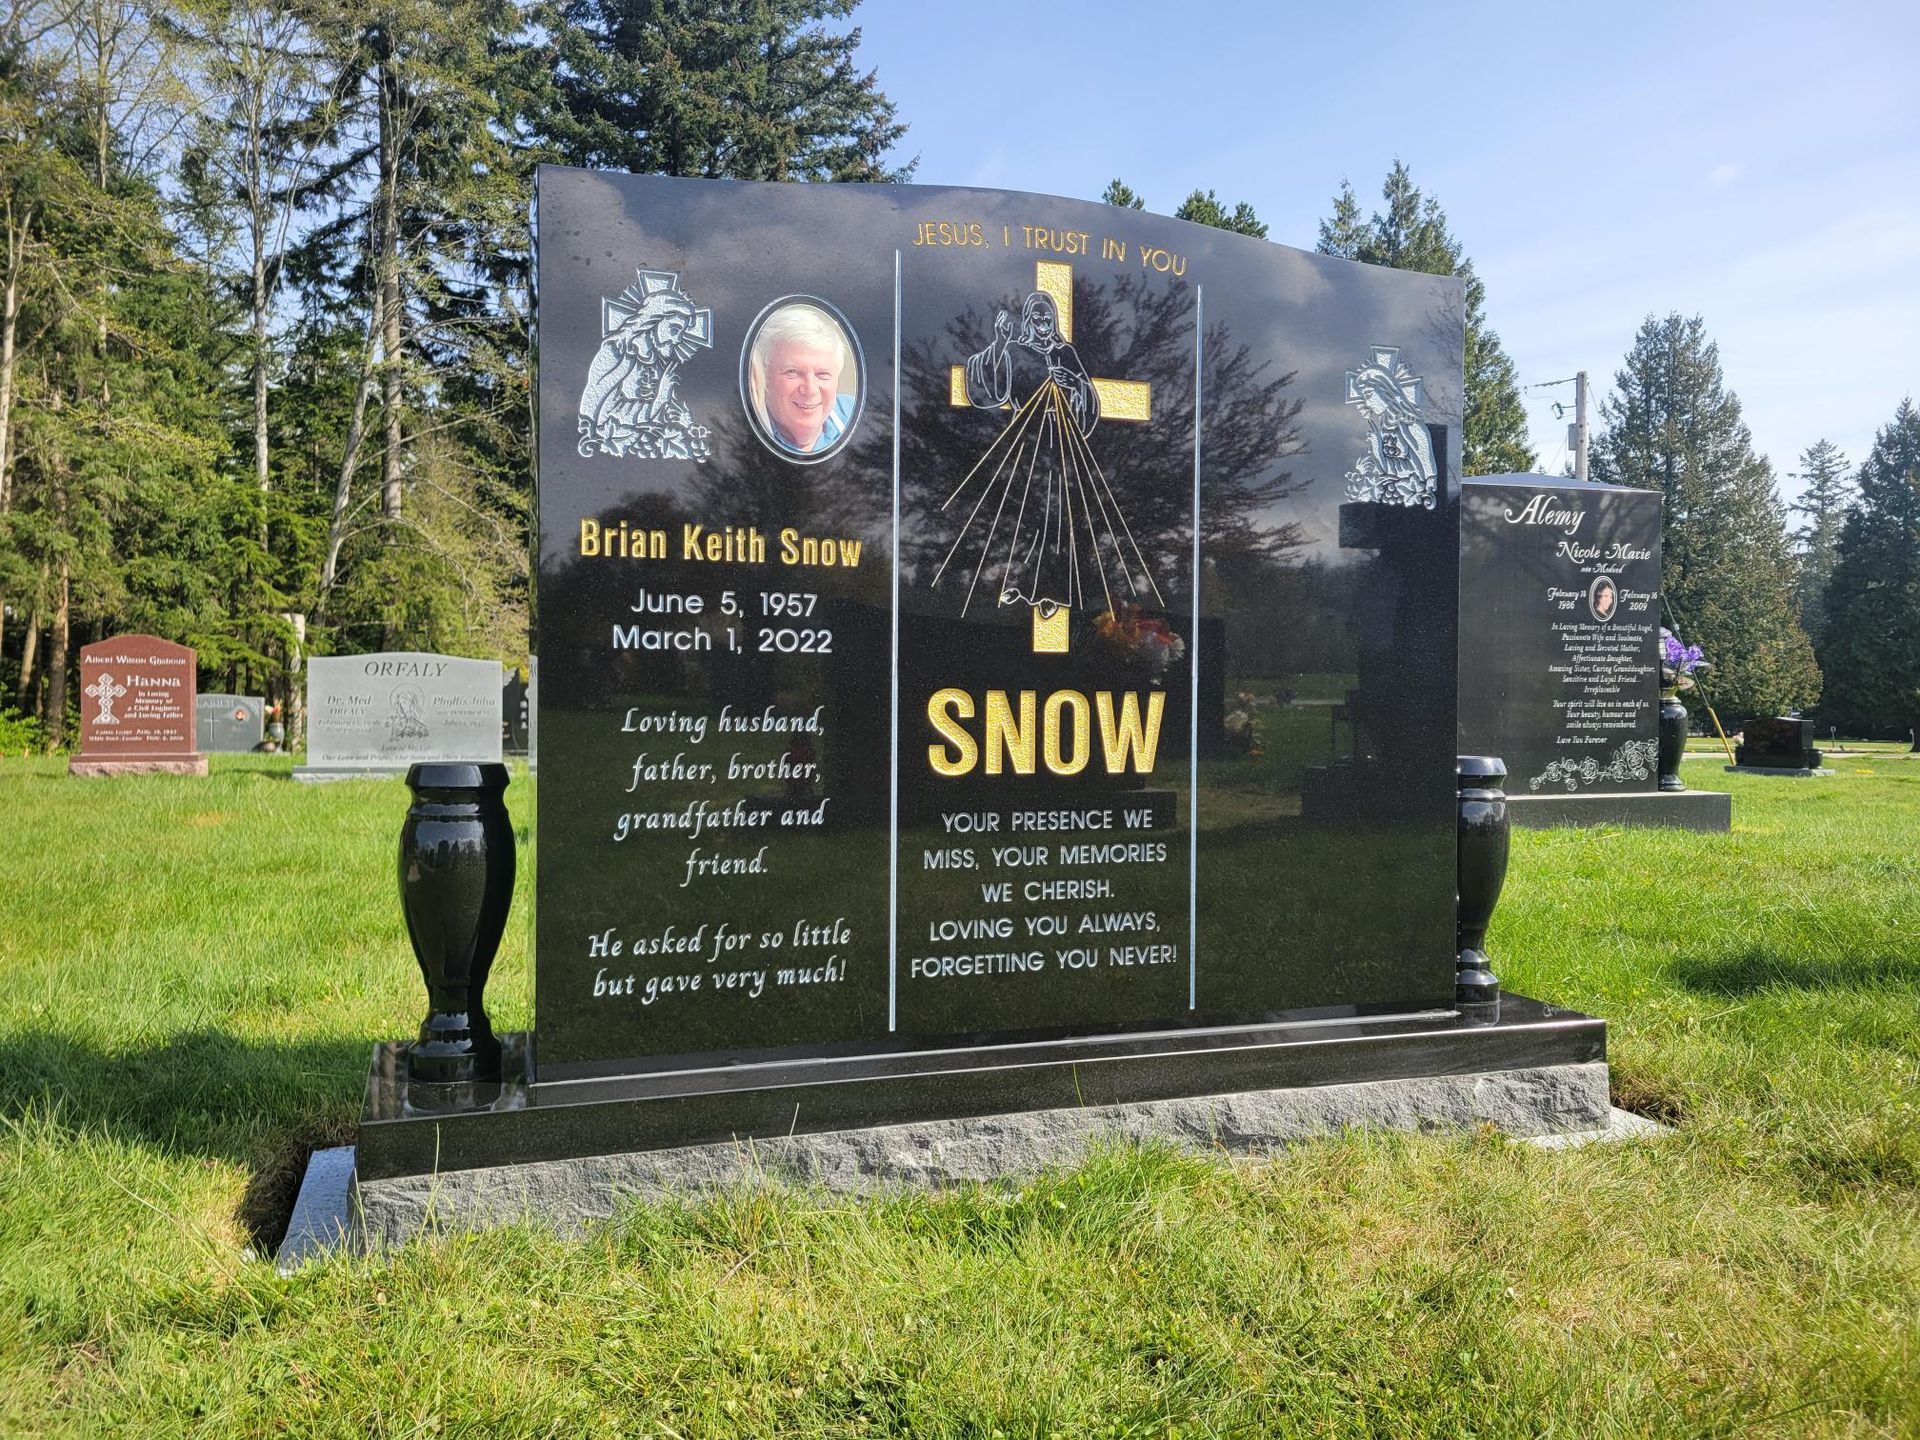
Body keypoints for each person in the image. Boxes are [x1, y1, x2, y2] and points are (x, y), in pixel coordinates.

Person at [747, 304, 857, 455]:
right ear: (765, 377)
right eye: (793, 372)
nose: (810, 389)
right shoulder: (743, 432)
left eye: (822, 374)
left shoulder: (857, 415)